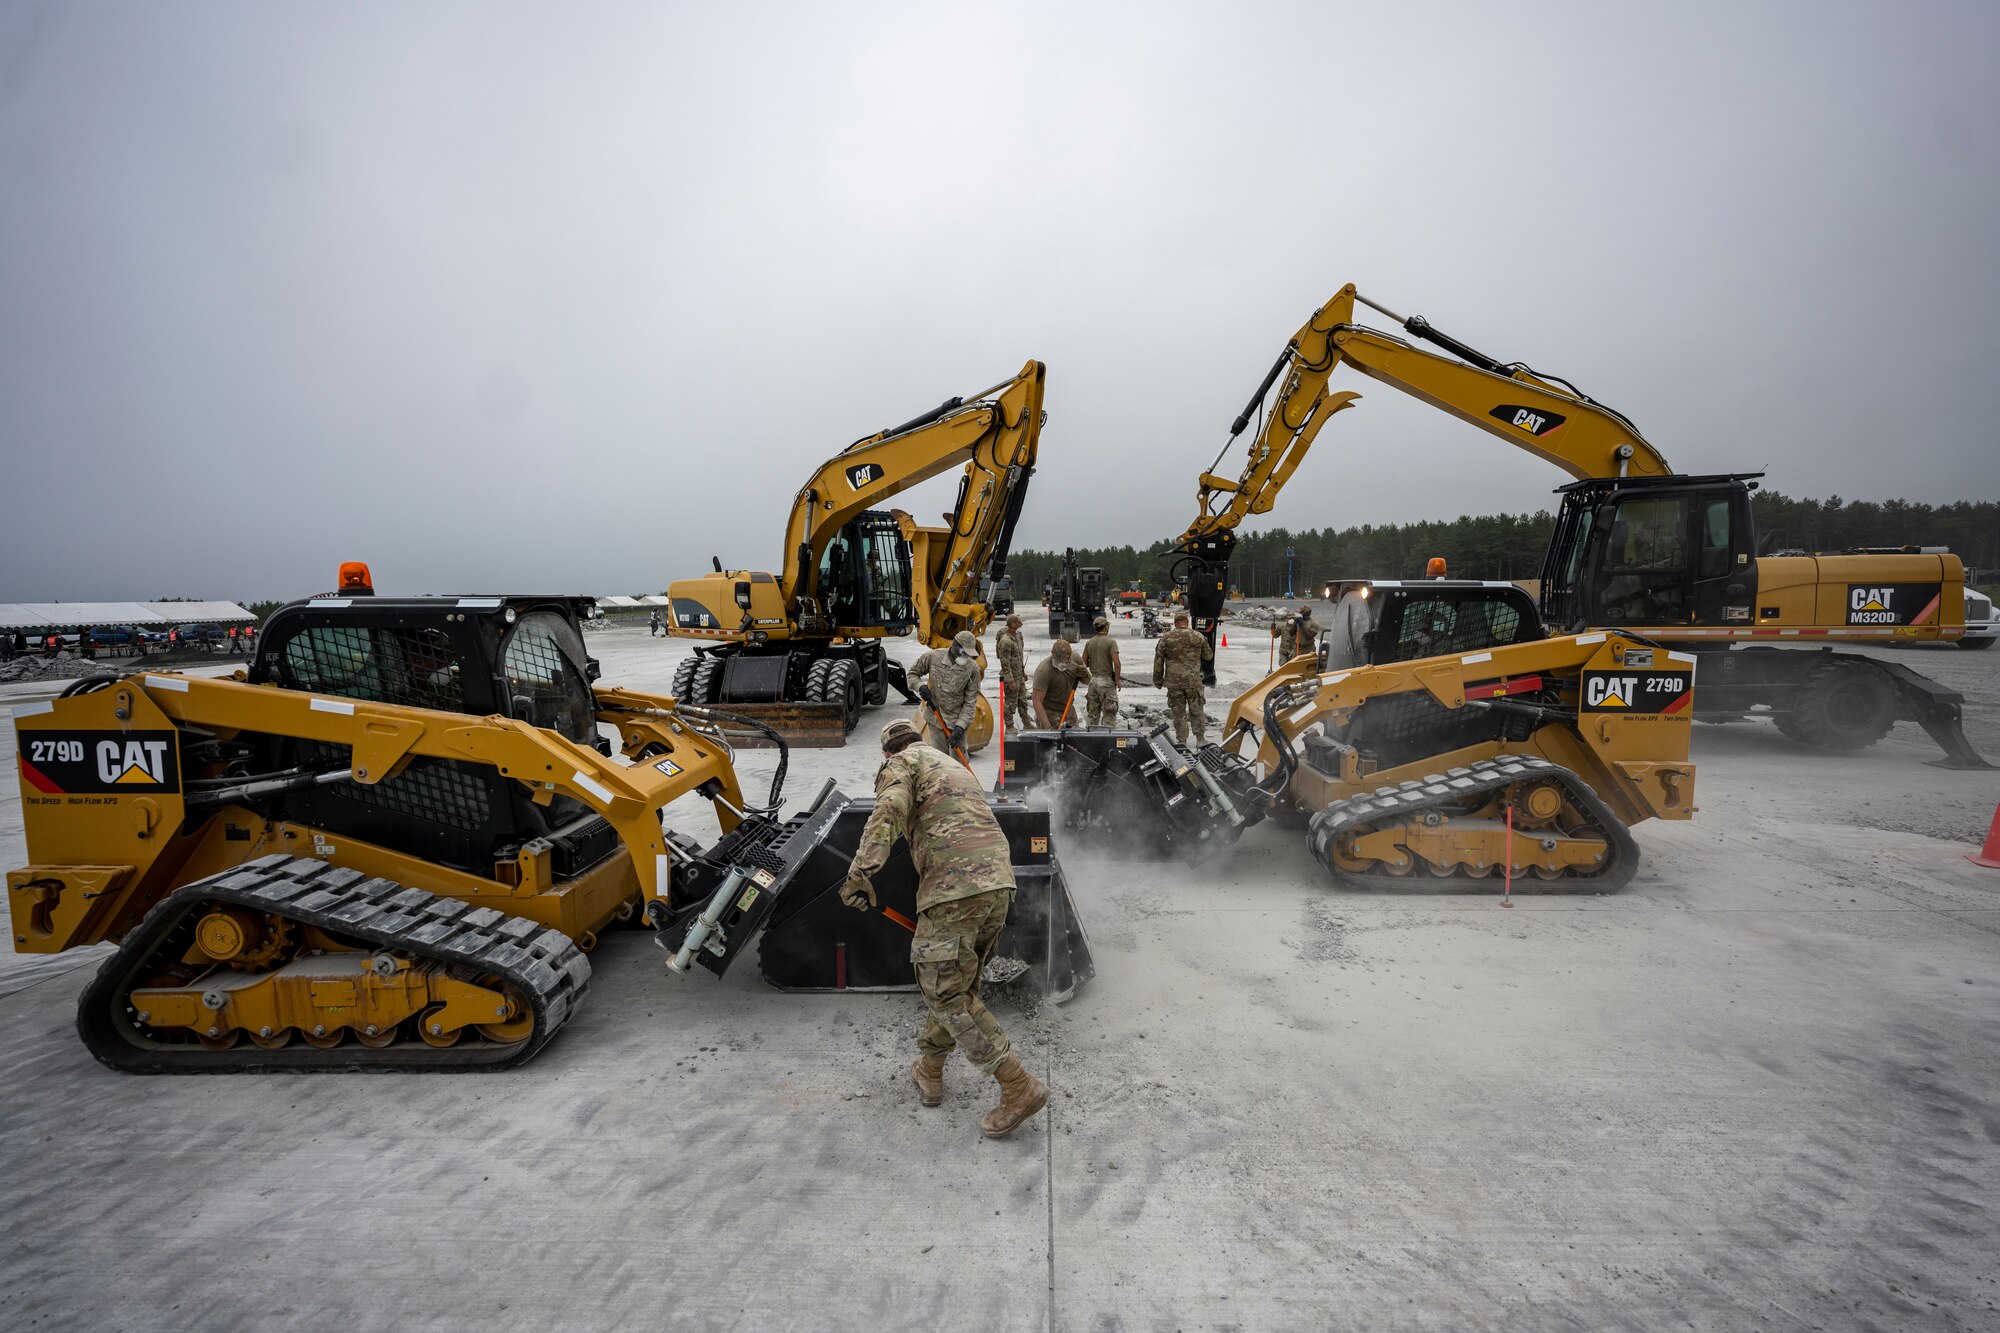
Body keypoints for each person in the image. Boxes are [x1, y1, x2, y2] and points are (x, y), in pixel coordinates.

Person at [841, 719, 1049, 1139]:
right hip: (998, 883)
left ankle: (1017, 1085)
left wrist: (861, 871)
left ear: (887, 752)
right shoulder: (950, 763)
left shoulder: (900, 763)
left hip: (955, 888)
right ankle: (930, 1069)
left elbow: (889, 808)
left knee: (945, 991)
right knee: (959, 988)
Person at [909, 629, 984, 758]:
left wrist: (960, 727)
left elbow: (970, 702)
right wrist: (921, 687)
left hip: (957, 720)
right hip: (935, 717)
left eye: (969, 654)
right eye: (964, 653)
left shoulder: (972, 668)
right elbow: (912, 674)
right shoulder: (933, 657)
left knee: (959, 762)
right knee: (940, 759)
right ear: (954, 647)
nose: (966, 657)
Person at [1152, 611, 1214, 747]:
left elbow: (1158, 660)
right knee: (1196, 709)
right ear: (1187, 622)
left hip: (1174, 683)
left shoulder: (1166, 638)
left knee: (1178, 712)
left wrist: (1157, 680)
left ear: (1175, 623)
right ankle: (1200, 739)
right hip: (1193, 681)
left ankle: (1181, 741)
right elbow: (1208, 656)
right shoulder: (1198, 636)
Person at [1031, 638, 1090, 727]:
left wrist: (1085, 674)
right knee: (1053, 740)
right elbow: (1037, 702)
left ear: (1070, 656)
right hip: (1049, 713)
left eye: (1065, 662)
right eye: (1058, 661)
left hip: (1068, 710)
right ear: (1053, 655)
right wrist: (1048, 728)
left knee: (1074, 739)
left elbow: (1088, 681)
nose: (1062, 664)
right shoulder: (1043, 671)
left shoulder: (1076, 659)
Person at [994, 614, 1032, 733]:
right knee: (1011, 703)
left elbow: (1019, 657)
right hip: (1011, 678)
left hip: (1019, 676)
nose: (1021, 624)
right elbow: (1005, 662)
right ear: (1012, 624)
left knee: (1023, 701)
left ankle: (1027, 723)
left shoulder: (1018, 637)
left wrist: (1023, 672)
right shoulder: (1006, 641)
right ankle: (1009, 726)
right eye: (1018, 622)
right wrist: (1010, 680)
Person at [1080, 616, 1121, 726]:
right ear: (1106, 627)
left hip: (1093, 682)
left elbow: (1083, 663)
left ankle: (1091, 739)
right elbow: (1117, 663)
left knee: (1092, 715)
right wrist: (1117, 680)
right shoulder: (1111, 642)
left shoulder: (1089, 643)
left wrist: (1094, 660)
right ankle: (1107, 740)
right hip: (1106, 681)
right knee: (1109, 715)